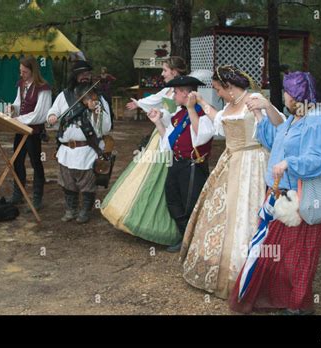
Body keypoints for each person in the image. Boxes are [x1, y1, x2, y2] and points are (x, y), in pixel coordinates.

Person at [229, 71, 321, 315]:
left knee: (298, 254)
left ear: (297, 95)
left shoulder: (317, 120)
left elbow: (320, 157)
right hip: (281, 194)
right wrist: (259, 114)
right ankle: (281, 298)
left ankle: (296, 305)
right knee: (277, 251)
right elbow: (274, 141)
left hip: (302, 198)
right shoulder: (295, 118)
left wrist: (290, 163)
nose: (285, 96)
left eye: (287, 92)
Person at [180, 66, 285, 299]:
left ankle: (244, 273)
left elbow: (280, 126)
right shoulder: (229, 105)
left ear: (228, 86)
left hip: (252, 163)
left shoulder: (254, 99)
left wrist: (267, 106)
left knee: (245, 216)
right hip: (230, 160)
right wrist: (198, 105)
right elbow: (219, 121)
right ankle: (221, 268)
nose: (217, 94)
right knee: (221, 215)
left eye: (218, 89)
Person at [101, 56, 188, 246]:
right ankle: (137, 215)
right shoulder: (167, 90)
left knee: (163, 182)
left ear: (174, 71)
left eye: (165, 70)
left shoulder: (184, 92)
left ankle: (165, 227)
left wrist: (157, 113)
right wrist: (140, 104)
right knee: (145, 178)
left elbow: (178, 115)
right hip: (160, 136)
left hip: (172, 139)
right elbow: (156, 100)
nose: (162, 73)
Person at [147, 75, 214, 252]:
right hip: (176, 164)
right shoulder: (179, 114)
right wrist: (158, 123)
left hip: (193, 166)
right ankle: (185, 236)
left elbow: (202, 137)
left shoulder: (203, 112)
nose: (174, 96)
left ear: (186, 93)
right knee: (173, 199)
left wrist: (192, 108)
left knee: (190, 204)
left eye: (176, 92)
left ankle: (193, 241)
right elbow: (169, 141)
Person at [47, 60, 112, 224]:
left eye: (88, 74)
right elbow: (53, 112)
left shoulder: (98, 98)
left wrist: (95, 111)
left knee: (87, 182)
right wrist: (52, 117)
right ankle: (71, 209)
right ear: (75, 76)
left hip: (87, 149)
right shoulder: (64, 95)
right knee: (68, 182)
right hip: (67, 149)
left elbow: (105, 128)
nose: (85, 77)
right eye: (82, 74)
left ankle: (85, 211)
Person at [8, 56, 52, 211]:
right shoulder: (21, 85)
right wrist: (12, 109)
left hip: (34, 131)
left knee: (35, 162)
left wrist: (18, 119)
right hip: (20, 130)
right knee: (17, 161)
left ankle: (37, 199)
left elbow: (40, 114)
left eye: (25, 72)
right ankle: (18, 194)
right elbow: (18, 104)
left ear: (33, 70)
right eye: (20, 71)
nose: (22, 74)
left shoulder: (43, 87)